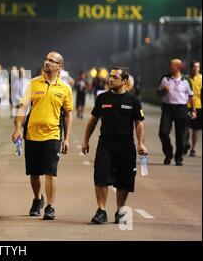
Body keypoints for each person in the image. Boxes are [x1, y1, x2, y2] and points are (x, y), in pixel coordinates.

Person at [81, 67, 148, 224]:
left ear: (124, 81)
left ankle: (120, 210)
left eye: (115, 77)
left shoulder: (133, 100)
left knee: (124, 180)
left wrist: (141, 144)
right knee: (100, 177)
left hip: (126, 146)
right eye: (110, 76)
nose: (110, 79)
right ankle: (101, 210)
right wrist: (85, 140)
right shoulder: (103, 98)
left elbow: (139, 123)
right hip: (105, 144)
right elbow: (93, 120)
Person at [12, 51, 73, 221]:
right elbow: (22, 107)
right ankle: (38, 199)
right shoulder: (33, 83)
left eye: (52, 61)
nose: (47, 62)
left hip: (53, 134)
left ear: (59, 66)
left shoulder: (65, 88)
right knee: (34, 173)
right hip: (32, 134)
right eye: (46, 59)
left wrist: (66, 138)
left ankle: (50, 206)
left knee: (50, 172)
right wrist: (18, 127)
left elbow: (68, 114)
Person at [157, 58, 196, 166]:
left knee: (181, 135)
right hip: (167, 109)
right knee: (163, 133)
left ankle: (178, 157)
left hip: (181, 109)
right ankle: (168, 154)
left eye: (172, 65)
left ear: (178, 67)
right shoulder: (165, 79)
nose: (170, 67)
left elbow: (191, 97)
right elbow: (158, 94)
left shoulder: (186, 81)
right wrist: (164, 90)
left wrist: (193, 110)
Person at [184, 61, 201, 157]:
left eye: (198, 67)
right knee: (186, 128)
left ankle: (193, 148)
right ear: (191, 68)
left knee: (196, 129)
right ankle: (186, 143)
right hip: (187, 107)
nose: (196, 69)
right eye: (194, 67)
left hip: (198, 107)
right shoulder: (186, 79)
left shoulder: (201, 79)